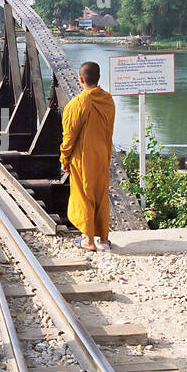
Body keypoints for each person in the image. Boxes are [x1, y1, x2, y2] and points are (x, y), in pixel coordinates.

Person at [59, 61, 116, 252]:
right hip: (102, 154)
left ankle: (88, 240)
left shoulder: (79, 102)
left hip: (83, 157)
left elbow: (69, 135)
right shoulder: (108, 99)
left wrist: (64, 158)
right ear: (98, 78)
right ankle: (104, 240)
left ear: (81, 79)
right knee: (100, 193)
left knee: (84, 194)